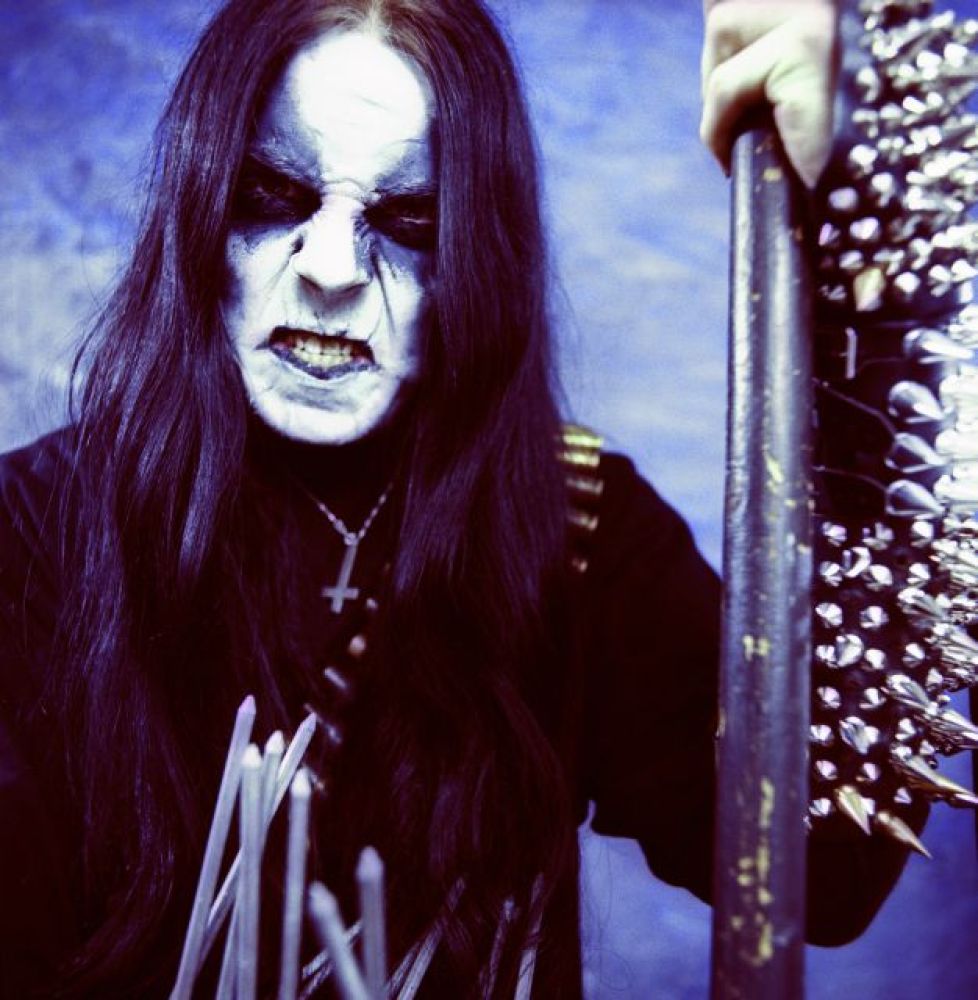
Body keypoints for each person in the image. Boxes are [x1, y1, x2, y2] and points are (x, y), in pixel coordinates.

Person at [0, 0, 913, 996]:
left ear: (479, 259)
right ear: (199, 207)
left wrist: (866, 221)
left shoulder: (575, 529)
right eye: (271, 195)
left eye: (409, 223)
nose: (333, 271)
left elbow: (827, 869)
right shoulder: (30, 535)